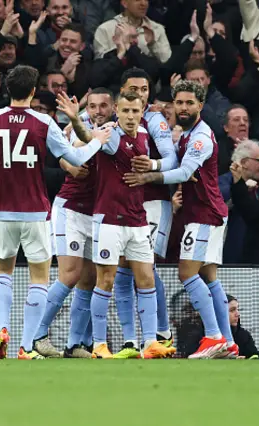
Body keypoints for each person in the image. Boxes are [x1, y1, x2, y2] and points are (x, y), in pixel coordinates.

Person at [0, 65, 112, 360]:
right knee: (38, 278)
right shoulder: (43, 121)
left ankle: (2, 328)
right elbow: (74, 157)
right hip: (35, 211)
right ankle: (26, 346)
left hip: (1, 210)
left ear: (8, 89)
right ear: (33, 92)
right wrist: (97, 140)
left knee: (3, 273)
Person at [124, 80, 236, 359]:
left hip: (204, 214)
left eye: (190, 103)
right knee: (209, 278)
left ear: (200, 105)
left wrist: (149, 176)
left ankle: (212, 337)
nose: (183, 108)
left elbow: (185, 172)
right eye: (179, 102)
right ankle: (229, 342)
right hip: (204, 213)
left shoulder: (199, 137)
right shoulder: (187, 134)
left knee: (187, 273)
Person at [88, 90, 176, 360]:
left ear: (142, 113)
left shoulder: (144, 137)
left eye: (135, 111)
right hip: (109, 218)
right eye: (125, 110)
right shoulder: (110, 133)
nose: (129, 116)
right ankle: (99, 344)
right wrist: (76, 121)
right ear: (116, 109)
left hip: (137, 219)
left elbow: (169, 160)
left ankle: (149, 341)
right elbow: (90, 139)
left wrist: (151, 169)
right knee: (106, 279)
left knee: (147, 278)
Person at [32, 88, 117, 359]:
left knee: (89, 279)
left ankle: (75, 343)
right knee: (70, 274)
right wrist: (69, 166)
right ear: (87, 109)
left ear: (112, 107)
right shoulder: (80, 129)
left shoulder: (114, 129)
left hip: (99, 213)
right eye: (92, 106)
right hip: (70, 208)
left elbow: (81, 145)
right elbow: (70, 150)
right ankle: (36, 335)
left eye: (103, 106)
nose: (98, 111)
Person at [111, 67, 178, 358]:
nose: (140, 94)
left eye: (144, 89)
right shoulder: (117, 120)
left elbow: (171, 158)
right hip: (122, 202)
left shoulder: (155, 120)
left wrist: (150, 169)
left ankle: (161, 333)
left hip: (152, 201)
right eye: (134, 89)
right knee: (125, 268)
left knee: (145, 266)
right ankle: (131, 340)